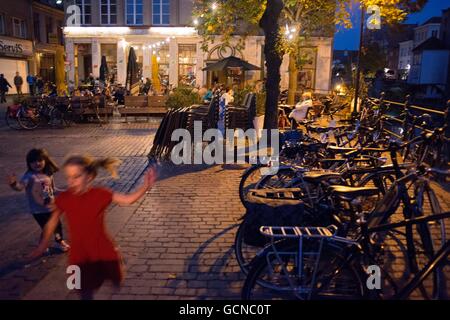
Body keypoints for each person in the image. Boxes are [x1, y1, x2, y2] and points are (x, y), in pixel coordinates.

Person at [29, 155, 157, 300]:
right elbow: (52, 222)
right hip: (79, 253)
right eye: (68, 177)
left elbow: (127, 200)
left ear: (89, 177)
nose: (71, 182)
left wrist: (145, 186)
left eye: (76, 176)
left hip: (101, 248)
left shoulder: (100, 194)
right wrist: (42, 245)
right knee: (82, 289)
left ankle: (116, 264)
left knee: (116, 280)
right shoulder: (64, 198)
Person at [8, 149, 70, 252]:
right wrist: (13, 184)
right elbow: (20, 187)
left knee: (56, 226)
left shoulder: (48, 174)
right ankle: (46, 244)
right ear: (29, 163)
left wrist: (65, 192)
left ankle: (58, 242)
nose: (37, 163)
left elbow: (53, 190)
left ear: (45, 160)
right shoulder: (29, 176)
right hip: (38, 210)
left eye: (40, 160)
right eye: (33, 161)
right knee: (47, 227)